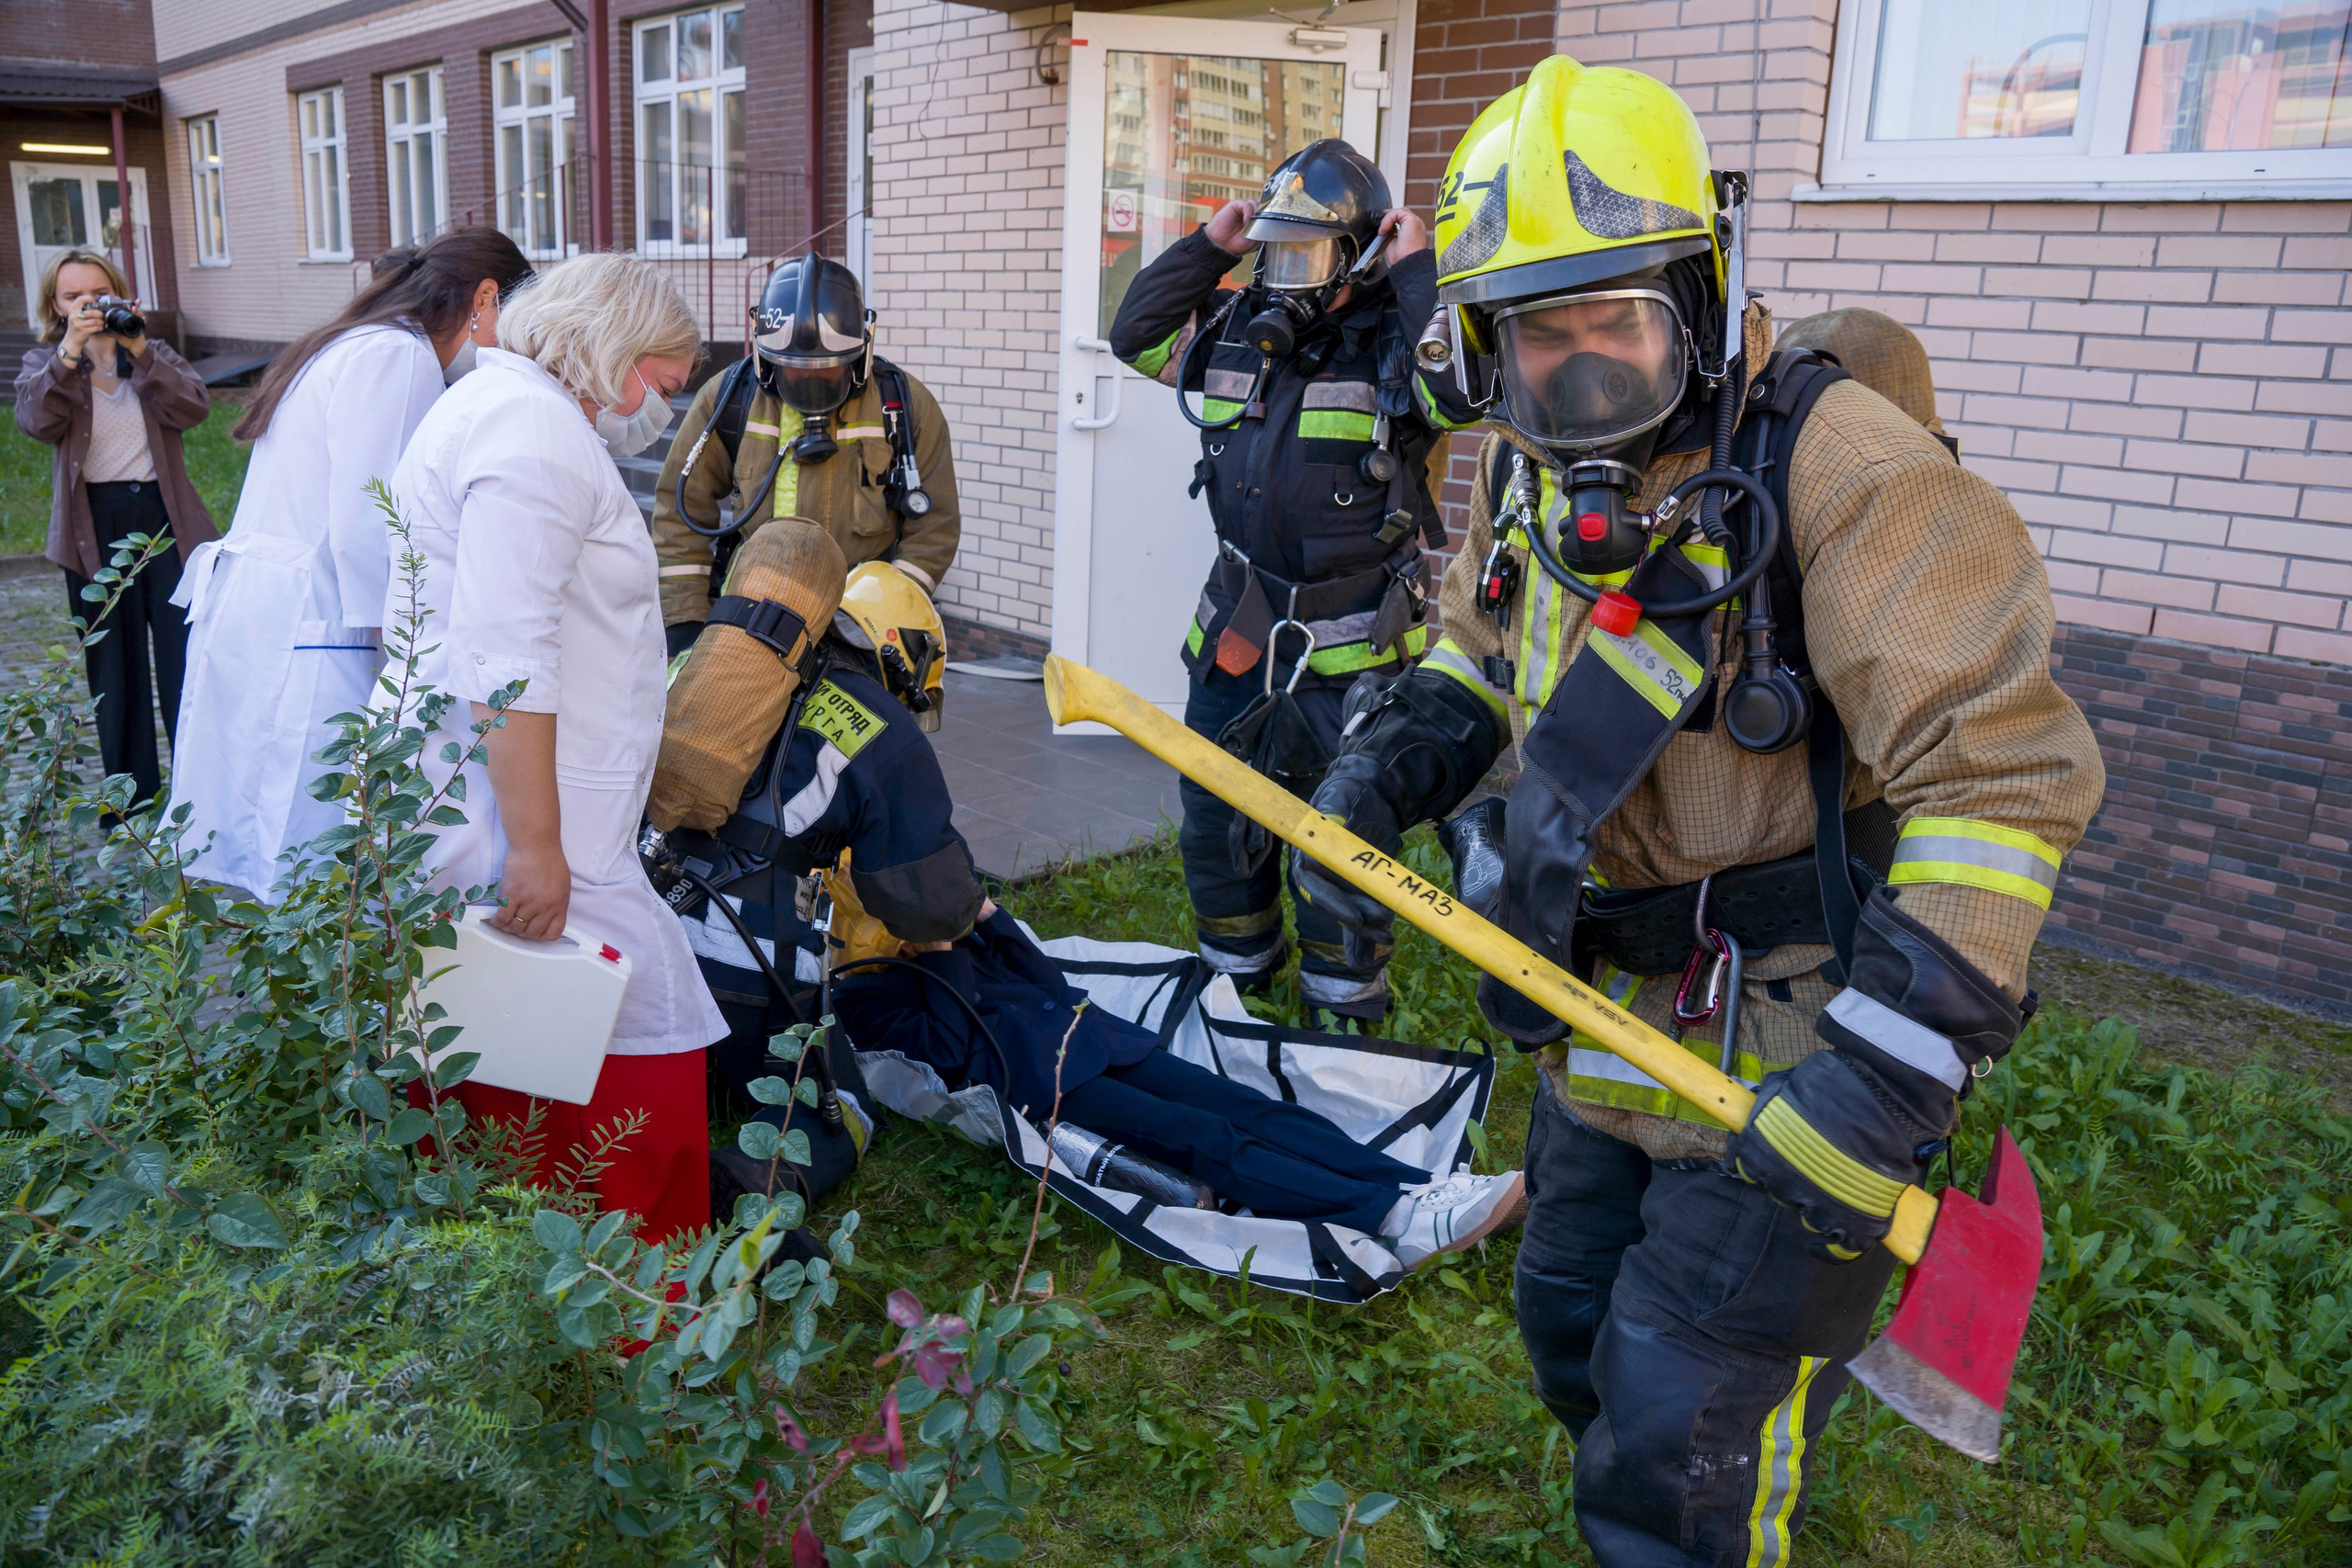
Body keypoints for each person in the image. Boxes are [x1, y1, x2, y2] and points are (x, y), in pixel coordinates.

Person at [1292, 58, 2104, 1563]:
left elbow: (2004, 776)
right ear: (1486, 342)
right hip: (1601, 1022)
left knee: (1684, 1441)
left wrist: (1875, 1094)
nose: (1587, 369)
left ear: (1706, 290)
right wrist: (1386, 759)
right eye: (1544, 330)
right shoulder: (1529, 469)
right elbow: (1489, 651)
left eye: (1625, 318)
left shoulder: (1846, 471)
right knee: (1573, 1335)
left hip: (1795, 1043)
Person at [639, 562, 1525, 1261]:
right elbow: (935, 901)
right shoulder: (870, 727)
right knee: (1169, 1108)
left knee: (1157, 1082)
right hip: (891, 1004)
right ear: (904, 653)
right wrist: (982, 926)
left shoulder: (726, 696)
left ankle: (1403, 1187)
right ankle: (1395, 1206)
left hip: (761, 991)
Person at [1107, 140, 1483, 1030]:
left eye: (1305, 255)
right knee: (1214, 823)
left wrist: (1416, 271)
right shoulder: (1237, 327)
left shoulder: (1402, 347)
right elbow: (1136, 338)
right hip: (1234, 634)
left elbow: (1464, 395)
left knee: (1339, 843)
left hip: (1352, 655)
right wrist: (1214, 246)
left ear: (1357, 253)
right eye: (1276, 250)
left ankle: (1340, 1022)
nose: (1286, 276)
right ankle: (1238, 990)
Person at [394, 252, 724, 1247]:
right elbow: (507, 657)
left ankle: (514, 1250)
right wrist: (537, 846)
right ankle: (636, 1281)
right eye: (658, 386)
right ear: (608, 348)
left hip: (509, 785)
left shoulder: (504, 409)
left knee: (490, 1013)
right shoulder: (533, 436)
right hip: (532, 805)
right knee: (635, 1009)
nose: (656, 412)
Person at [167, 227, 534, 897]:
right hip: (319, 619)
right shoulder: (399, 355)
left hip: (280, 606)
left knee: (278, 831)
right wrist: (405, 655)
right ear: (486, 298)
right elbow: (372, 522)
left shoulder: (359, 340)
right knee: (314, 840)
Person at [651, 256, 961, 659]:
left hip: (862, 633)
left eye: (830, 369)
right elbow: (679, 514)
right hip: (750, 625)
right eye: (793, 369)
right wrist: (687, 623)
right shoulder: (729, 399)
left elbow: (935, 529)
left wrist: (886, 608)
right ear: (764, 352)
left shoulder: (905, 407)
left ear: (862, 349)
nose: (812, 381)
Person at [12, 247, 215, 805]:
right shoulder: (44, 365)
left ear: (120, 294)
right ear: (54, 306)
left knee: (183, 661)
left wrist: (141, 349)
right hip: (92, 527)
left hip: (164, 523)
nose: (86, 304)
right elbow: (36, 420)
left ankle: (197, 793)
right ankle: (133, 801)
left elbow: (194, 407)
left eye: (96, 293)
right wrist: (71, 351)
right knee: (114, 669)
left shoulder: (151, 355)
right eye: (72, 296)